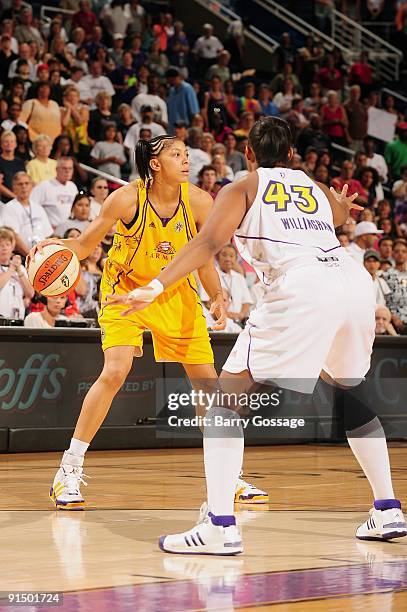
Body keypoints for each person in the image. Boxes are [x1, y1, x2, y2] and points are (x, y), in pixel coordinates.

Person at [122, 117, 406, 554]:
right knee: (349, 390)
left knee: (224, 400)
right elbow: (336, 213)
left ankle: (219, 524)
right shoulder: (312, 184)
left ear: (249, 155)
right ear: (292, 155)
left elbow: (206, 244)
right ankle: (387, 509)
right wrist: (344, 209)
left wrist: (156, 284)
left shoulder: (243, 187)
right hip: (352, 282)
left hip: (303, 285)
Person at [29, 134, 264, 510]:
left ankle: (227, 476)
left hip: (173, 291)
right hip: (125, 291)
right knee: (116, 371)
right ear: (155, 164)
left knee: (207, 382)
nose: (186, 160)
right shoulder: (126, 197)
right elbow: (85, 245)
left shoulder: (200, 200)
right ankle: (68, 470)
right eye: (176, 154)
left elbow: (202, 254)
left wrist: (216, 294)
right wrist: (53, 245)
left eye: (186, 154)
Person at [0, 172, 52, 255]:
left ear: (31, 186)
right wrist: (30, 256)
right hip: (22, 256)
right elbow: (13, 236)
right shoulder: (9, 208)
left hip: (42, 256)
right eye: (20, 184)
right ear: (14, 188)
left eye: (26, 183)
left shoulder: (38, 207)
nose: (24, 186)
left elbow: (47, 234)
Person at [30, 157, 78, 228]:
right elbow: (31, 207)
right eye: (64, 168)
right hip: (52, 231)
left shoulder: (72, 186)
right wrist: (45, 225)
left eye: (70, 168)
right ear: (56, 169)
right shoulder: (44, 186)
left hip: (71, 230)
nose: (67, 171)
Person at [0, 227, 33, 320]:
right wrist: (12, 268)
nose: (5, 248)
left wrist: (19, 271)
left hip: (18, 317)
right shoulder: (13, 267)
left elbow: (30, 293)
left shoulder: (20, 268)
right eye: (1, 245)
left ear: (12, 247)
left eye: (7, 244)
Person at [0, 130, 26, 202]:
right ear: (1, 144)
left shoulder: (20, 162)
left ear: (15, 144)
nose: (9, 144)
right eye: (6, 141)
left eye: (12, 141)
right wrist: (14, 197)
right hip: (3, 201)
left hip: (19, 199)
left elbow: (23, 180)